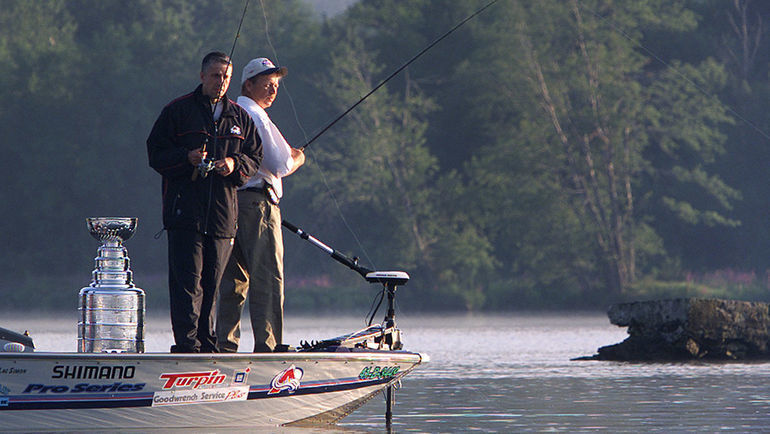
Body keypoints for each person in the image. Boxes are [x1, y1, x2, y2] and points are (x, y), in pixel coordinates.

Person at [147, 51, 262, 353]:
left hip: (223, 215)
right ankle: (187, 346)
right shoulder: (177, 111)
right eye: (215, 76)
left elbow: (255, 157)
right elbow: (155, 152)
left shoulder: (240, 117)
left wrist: (234, 165)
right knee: (188, 284)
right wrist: (186, 158)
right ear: (202, 76)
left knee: (212, 285)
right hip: (185, 213)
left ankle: (208, 346)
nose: (221, 82)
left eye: (226, 77)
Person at [217, 57, 305, 353]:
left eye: (276, 84)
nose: (273, 89)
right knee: (267, 277)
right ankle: (268, 348)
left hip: (229, 205)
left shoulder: (230, 112)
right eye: (267, 83)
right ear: (248, 84)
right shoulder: (255, 115)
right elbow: (280, 163)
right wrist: (298, 158)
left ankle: (224, 346)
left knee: (232, 281)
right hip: (259, 206)